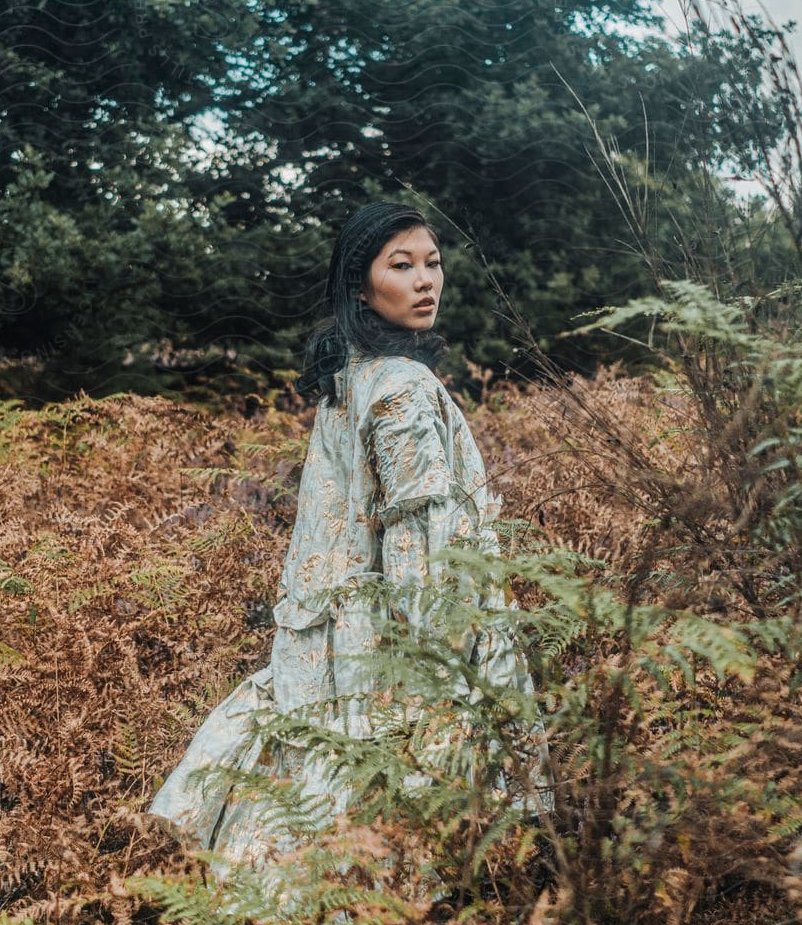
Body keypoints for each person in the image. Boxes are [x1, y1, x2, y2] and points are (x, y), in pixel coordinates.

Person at [147, 200, 549, 874]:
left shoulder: (351, 378)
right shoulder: (400, 389)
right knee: (405, 823)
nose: (426, 281)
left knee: (325, 811)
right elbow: (422, 549)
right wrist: (452, 672)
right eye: (402, 266)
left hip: (333, 637)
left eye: (433, 264)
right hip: (394, 642)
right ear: (360, 286)